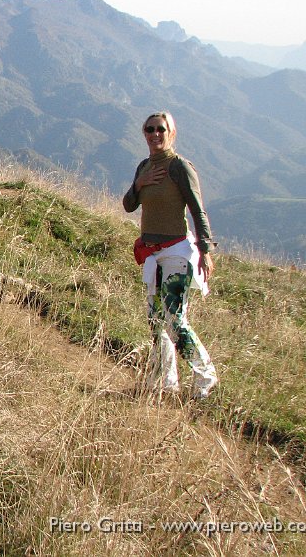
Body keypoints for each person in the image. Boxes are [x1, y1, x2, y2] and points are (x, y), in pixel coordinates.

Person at [123, 112, 218, 400]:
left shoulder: (179, 167)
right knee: (155, 320)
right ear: (144, 133)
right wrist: (140, 183)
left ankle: (206, 378)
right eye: (149, 129)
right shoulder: (144, 167)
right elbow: (129, 205)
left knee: (174, 319)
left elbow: (197, 209)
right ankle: (166, 383)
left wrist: (206, 250)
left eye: (161, 129)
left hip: (177, 252)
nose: (155, 134)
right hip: (152, 255)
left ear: (171, 133)